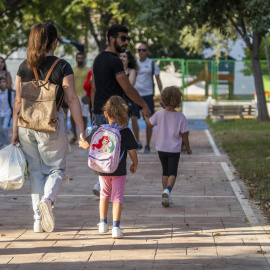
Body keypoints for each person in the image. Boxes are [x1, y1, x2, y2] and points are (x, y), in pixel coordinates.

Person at [11, 22, 85, 233]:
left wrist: (14, 132)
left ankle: (37, 221)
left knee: (34, 171)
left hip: (25, 125)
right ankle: (48, 200)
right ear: (54, 42)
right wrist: (81, 130)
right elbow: (71, 97)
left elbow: (17, 101)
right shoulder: (62, 66)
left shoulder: (23, 66)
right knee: (56, 168)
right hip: (52, 123)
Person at [90, 24, 151, 197]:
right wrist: (144, 105)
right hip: (113, 114)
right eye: (123, 38)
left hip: (101, 113)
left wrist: (95, 111)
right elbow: (128, 88)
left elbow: (94, 88)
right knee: (117, 150)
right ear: (112, 39)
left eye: (127, 39)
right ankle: (106, 186)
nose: (126, 42)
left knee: (104, 149)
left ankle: (101, 183)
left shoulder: (98, 59)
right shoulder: (114, 61)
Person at [79, 96, 138, 239]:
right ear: (124, 113)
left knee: (104, 195)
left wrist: (81, 141)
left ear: (105, 114)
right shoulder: (126, 132)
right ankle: (116, 227)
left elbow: (86, 145)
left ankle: (102, 224)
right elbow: (132, 152)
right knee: (117, 197)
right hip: (119, 170)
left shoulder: (99, 129)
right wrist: (135, 164)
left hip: (102, 169)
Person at [147, 86, 192, 207]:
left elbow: (150, 124)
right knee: (173, 172)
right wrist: (188, 147)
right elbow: (184, 134)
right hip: (174, 149)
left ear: (163, 99)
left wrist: (146, 115)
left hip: (161, 148)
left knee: (165, 171)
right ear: (178, 99)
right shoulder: (181, 116)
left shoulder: (159, 114)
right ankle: (168, 190)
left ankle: (165, 194)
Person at [131, 43, 163, 153]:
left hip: (148, 95)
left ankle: (148, 144)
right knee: (133, 118)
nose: (141, 52)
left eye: (144, 50)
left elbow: (158, 80)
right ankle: (138, 141)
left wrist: (161, 94)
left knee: (148, 121)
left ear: (147, 51)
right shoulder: (134, 64)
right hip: (135, 95)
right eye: (139, 50)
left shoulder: (152, 64)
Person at [69, 52, 89, 144]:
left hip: (84, 97)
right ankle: (74, 135)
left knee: (84, 117)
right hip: (74, 97)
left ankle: (82, 136)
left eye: (81, 58)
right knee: (72, 117)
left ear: (84, 59)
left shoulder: (88, 70)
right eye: (78, 58)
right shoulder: (72, 70)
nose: (80, 59)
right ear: (76, 59)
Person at [119, 50, 137, 117]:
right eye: (120, 56)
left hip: (126, 100)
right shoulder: (113, 70)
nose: (121, 58)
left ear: (128, 60)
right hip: (115, 100)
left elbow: (130, 85)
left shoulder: (132, 71)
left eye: (124, 57)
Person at [0, 76, 14, 149]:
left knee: (4, 128)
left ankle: (5, 143)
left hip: (7, 113)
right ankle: (2, 143)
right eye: (1, 82)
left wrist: (13, 113)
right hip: (0, 113)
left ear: (6, 83)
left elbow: (12, 104)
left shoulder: (9, 93)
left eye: (4, 82)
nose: (2, 84)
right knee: (0, 129)